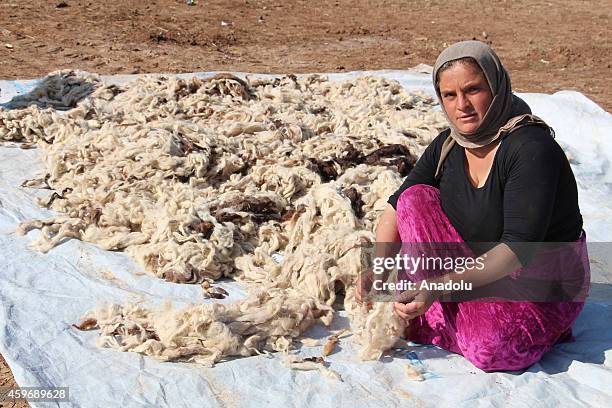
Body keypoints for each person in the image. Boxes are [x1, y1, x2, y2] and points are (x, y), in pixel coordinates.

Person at [356, 40, 590, 372]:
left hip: (537, 284)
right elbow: (396, 209)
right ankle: (454, 310)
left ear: (495, 87)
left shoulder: (530, 149)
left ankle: (529, 328)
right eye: (449, 96)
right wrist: (378, 271)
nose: (462, 105)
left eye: (473, 90)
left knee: (490, 350)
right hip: (475, 263)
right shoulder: (450, 144)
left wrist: (434, 287)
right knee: (414, 199)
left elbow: (516, 251)